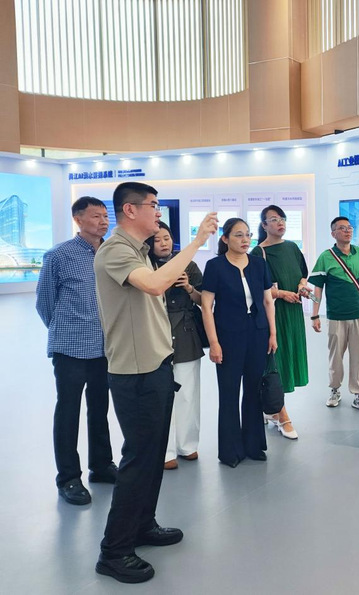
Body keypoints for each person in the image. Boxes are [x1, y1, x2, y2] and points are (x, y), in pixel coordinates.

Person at [93, 182, 218, 584]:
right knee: (138, 460)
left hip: (156, 365)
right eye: (153, 205)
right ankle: (114, 551)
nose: (159, 212)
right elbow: (155, 285)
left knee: (150, 459)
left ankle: (142, 524)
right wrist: (197, 241)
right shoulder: (115, 250)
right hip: (135, 372)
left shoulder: (139, 251)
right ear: (130, 210)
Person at [35, 196, 117, 506]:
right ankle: (68, 478)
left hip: (105, 346)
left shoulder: (111, 252)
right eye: (95, 216)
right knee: (68, 411)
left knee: (100, 408)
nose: (103, 221)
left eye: (105, 216)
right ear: (78, 219)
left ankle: (101, 466)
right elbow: (45, 302)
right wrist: (65, 329)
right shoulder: (59, 255)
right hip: (70, 348)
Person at [201, 218, 278, 467]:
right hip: (228, 336)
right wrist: (214, 343)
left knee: (254, 389)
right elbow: (206, 307)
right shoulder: (215, 266)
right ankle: (230, 450)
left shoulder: (258, 264)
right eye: (238, 235)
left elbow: (267, 301)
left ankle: (254, 445)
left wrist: (273, 333)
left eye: (247, 235)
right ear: (225, 239)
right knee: (229, 391)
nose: (245, 240)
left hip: (257, 333)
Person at [146, 222, 204, 469]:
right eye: (157, 239)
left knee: (188, 392)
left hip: (186, 331)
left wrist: (188, 287)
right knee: (160, 394)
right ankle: (165, 450)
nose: (163, 243)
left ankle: (187, 445)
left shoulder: (187, 263)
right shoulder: (144, 265)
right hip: (155, 331)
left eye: (167, 238)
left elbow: (204, 300)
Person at [252, 205, 310, 440]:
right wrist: (281, 293)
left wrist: (302, 286)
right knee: (276, 362)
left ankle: (272, 409)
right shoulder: (259, 252)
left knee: (289, 360)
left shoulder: (292, 247)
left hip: (294, 313)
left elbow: (303, 273)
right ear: (264, 225)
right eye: (274, 219)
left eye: (282, 218)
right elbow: (256, 288)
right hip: (274, 314)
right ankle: (281, 414)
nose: (280, 223)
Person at [308, 216, 359, 412]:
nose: (347, 231)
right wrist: (315, 315)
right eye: (342, 228)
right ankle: (334, 390)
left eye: (349, 227)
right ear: (333, 233)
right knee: (335, 357)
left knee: (358, 357)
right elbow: (317, 288)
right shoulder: (326, 257)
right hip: (336, 316)